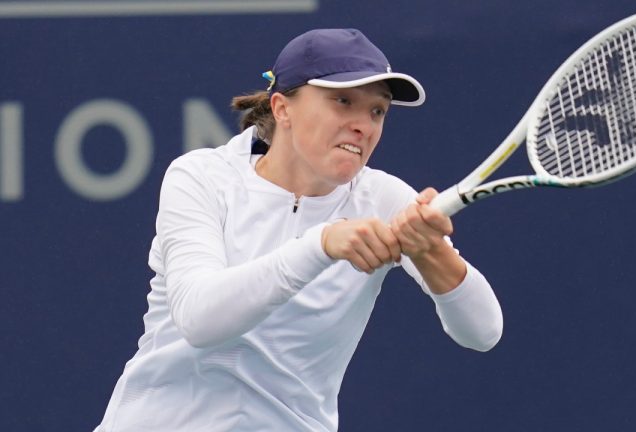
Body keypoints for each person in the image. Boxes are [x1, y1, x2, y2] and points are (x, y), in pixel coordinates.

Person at [95, 28, 503, 432]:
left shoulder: (383, 197)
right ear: (281, 108)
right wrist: (321, 244)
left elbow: (483, 332)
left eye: (377, 111)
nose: (364, 125)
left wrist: (431, 253)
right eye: (343, 101)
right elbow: (200, 320)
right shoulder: (202, 176)